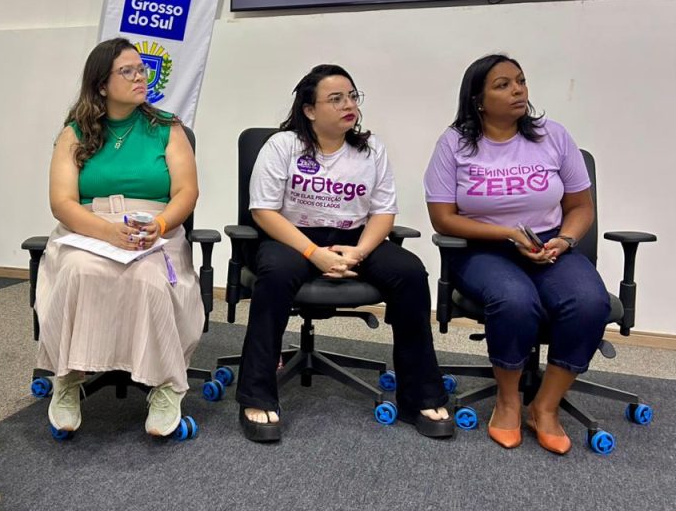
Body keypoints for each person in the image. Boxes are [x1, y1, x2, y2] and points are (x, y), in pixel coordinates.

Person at [237, 64, 454, 443]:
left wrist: (358, 253)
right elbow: (263, 211)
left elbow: (384, 212)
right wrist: (314, 253)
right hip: (291, 238)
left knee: (410, 273)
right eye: (335, 99)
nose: (348, 105)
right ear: (309, 109)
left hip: (354, 239)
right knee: (275, 274)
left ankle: (419, 395)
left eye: (352, 96)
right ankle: (256, 394)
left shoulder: (371, 150)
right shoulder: (283, 146)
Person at [423, 54, 610, 455]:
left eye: (521, 81)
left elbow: (580, 207)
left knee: (590, 301)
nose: (518, 90)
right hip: (483, 247)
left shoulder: (553, 136)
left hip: (548, 243)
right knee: (514, 299)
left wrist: (565, 240)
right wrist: (508, 233)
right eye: (503, 84)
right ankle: (508, 401)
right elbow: (443, 217)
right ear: (478, 98)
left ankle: (545, 405)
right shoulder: (454, 143)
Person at [35, 37, 203, 438]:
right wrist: (108, 232)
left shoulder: (167, 127)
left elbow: (187, 192)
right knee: (76, 271)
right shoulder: (74, 133)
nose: (139, 77)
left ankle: (166, 386)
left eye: (141, 69)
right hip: (89, 228)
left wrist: (159, 227)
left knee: (149, 279)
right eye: (126, 71)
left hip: (154, 228)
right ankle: (68, 379)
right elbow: (62, 202)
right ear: (101, 85)